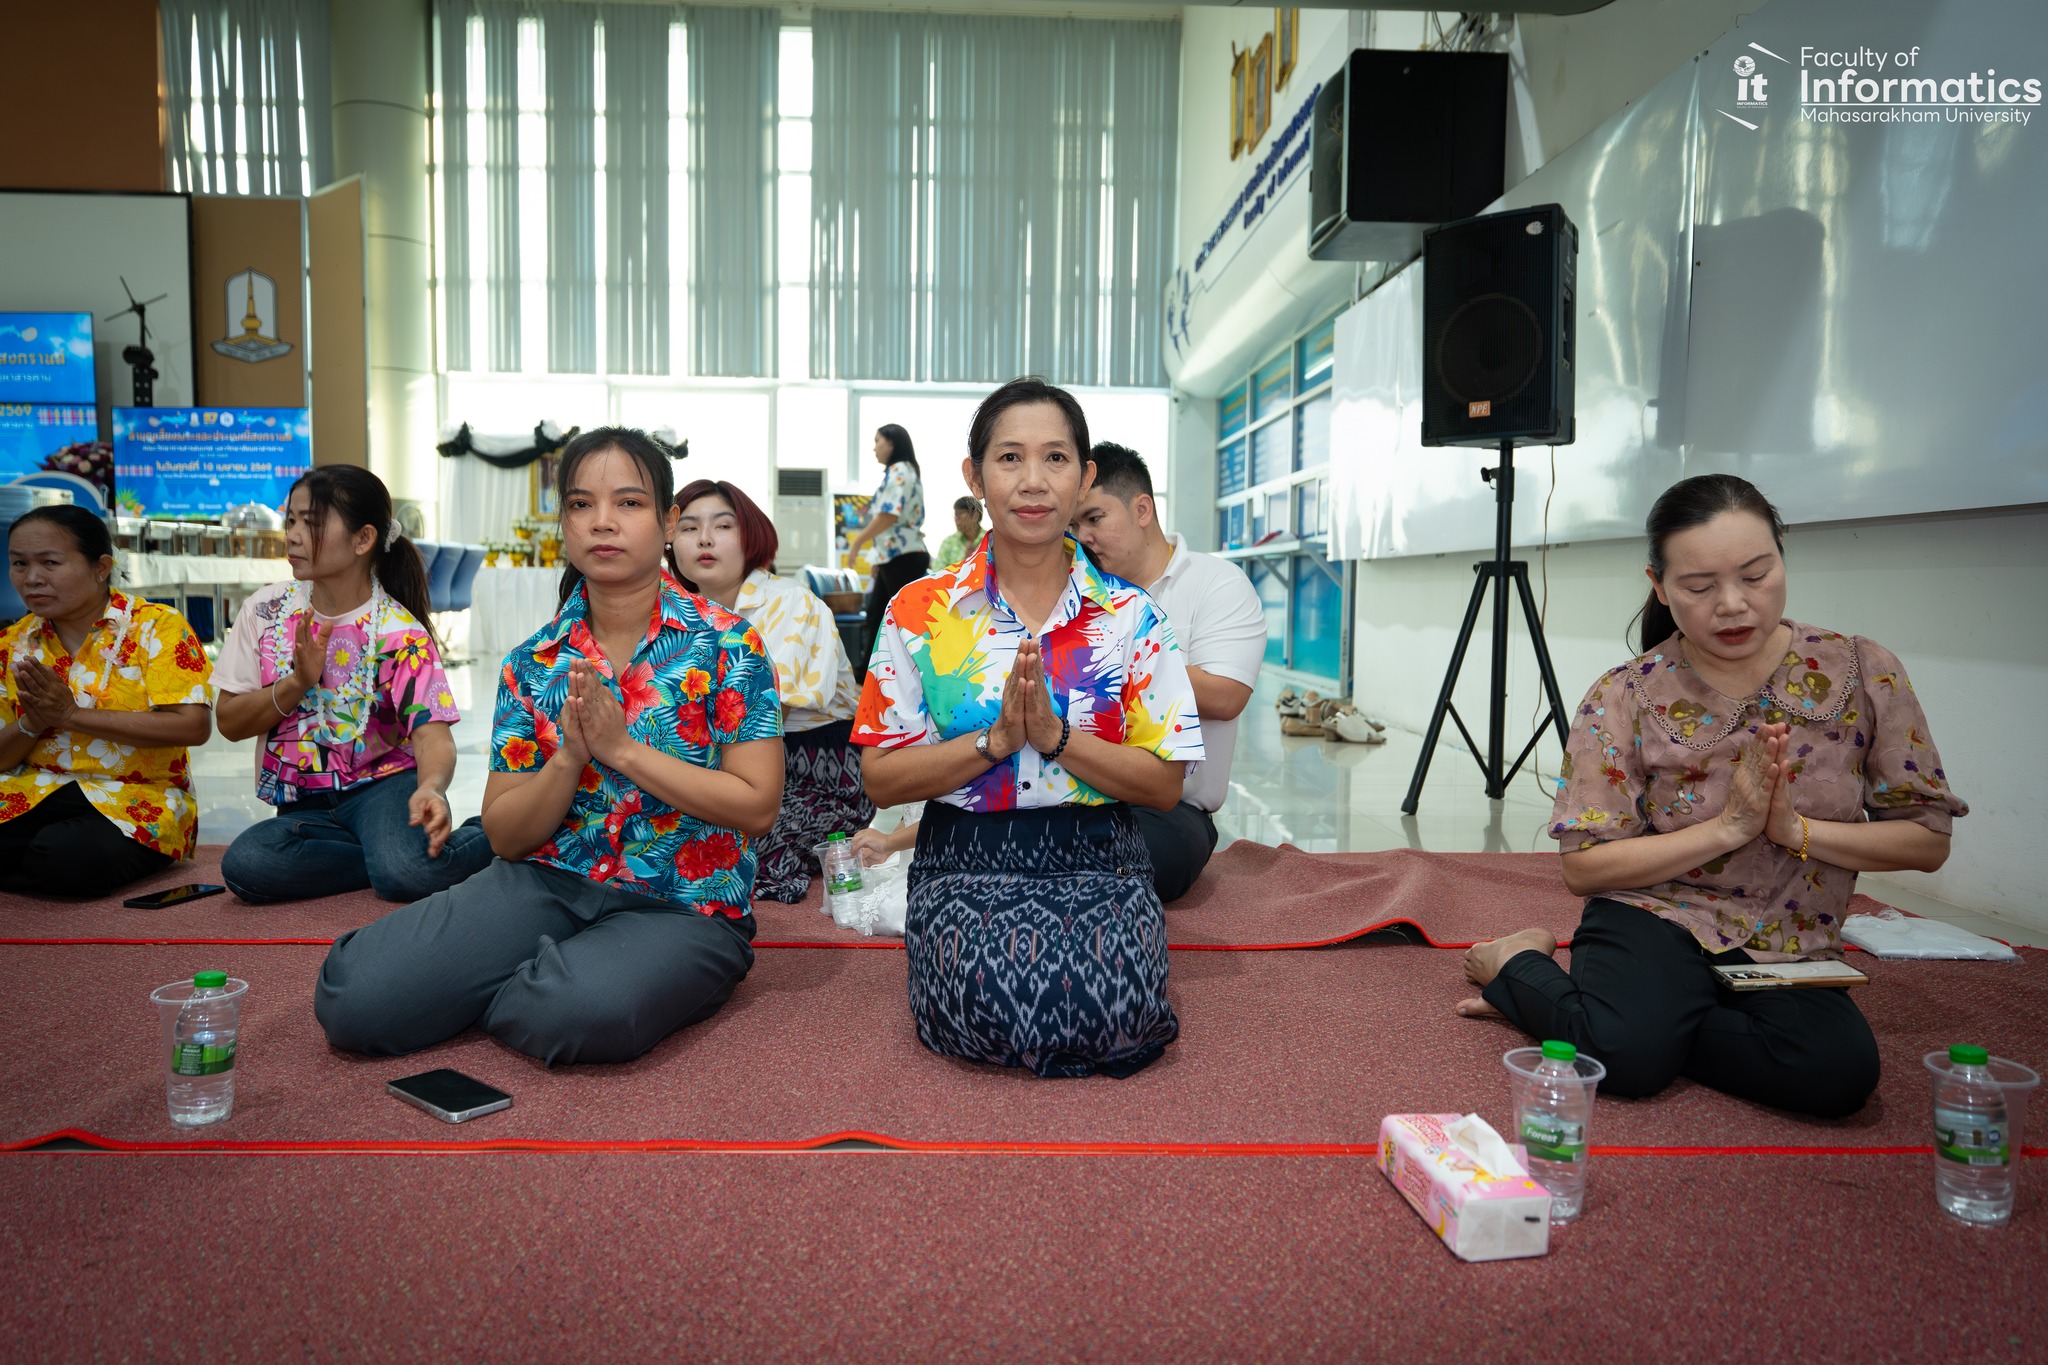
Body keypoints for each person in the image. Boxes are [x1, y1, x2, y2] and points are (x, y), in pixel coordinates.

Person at [1457, 475, 1966, 1117]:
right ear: (1660, 586)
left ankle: (1617, 1022)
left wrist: (1794, 832)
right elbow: (1584, 867)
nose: (1733, 604)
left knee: (1838, 1073)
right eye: (1699, 587)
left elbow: (1927, 841)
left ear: (1783, 557)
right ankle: (1520, 960)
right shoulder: (1625, 694)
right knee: (1628, 1064)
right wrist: (1729, 828)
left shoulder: (1863, 672)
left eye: (1757, 575)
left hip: (1791, 935)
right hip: (1656, 913)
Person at [315, 427, 785, 1065]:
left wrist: (621, 750)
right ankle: (521, 976)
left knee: (575, 1013)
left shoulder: (730, 645)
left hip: (681, 905)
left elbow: (758, 806)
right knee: (355, 998)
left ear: (668, 522)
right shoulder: (533, 663)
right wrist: (568, 760)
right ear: (563, 522)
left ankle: (528, 984)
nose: (603, 522)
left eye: (629, 503)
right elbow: (507, 836)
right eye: (581, 505)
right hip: (544, 880)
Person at [856, 378, 1204, 1079]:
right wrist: (994, 743)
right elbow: (882, 774)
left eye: (1056, 458)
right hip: (965, 857)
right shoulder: (920, 611)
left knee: (1109, 1008)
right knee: (995, 997)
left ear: (1085, 476)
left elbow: (1166, 785)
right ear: (974, 476)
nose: (1034, 481)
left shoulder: (1132, 617)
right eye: (1010, 459)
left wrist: (1057, 739)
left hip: (1100, 855)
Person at [214, 467, 492, 904]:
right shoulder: (265, 612)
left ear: (363, 540)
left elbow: (432, 738)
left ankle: (490, 832)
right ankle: (385, 855)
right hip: (304, 802)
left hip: (383, 789)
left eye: (313, 523)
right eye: (291, 520)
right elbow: (228, 722)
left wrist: (431, 787)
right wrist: (298, 682)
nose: (293, 536)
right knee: (247, 864)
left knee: (406, 875)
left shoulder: (401, 632)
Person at [1074, 442, 1266, 901]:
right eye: (1072, 526)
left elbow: (1225, 695)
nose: (1082, 537)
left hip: (1169, 809)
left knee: (1138, 860)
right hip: (1071, 789)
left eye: (1094, 519)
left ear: (1142, 509)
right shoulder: (1073, 591)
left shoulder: (1216, 583)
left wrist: (1121, 653)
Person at [668, 477, 873, 902]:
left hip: (816, 771)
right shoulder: (677, 611)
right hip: (718, 765)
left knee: (716, 849)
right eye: (688, 528)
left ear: (751, 536)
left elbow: (767, 709)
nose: (704, 538)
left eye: (723, 526)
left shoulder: (791, 602)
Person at [0, 506, 213, 898]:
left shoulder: (157, 627)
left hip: (139, 797)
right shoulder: (13, 643)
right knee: (49, 851)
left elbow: (193, 727)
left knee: (64, 858)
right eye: (19, 563)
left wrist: (72, 715)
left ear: (101, 567)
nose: (31, 578)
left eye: (50, 562)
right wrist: (33, 722)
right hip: (35, 790)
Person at [845, 423, 928, 679]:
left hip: (903, 556)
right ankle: (867, 674)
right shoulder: (903, 470)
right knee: (878, 613)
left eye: (877, 442)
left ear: (891, 443)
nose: (874, 448)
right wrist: (879, 558)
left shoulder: (899, 469)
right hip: (895, 555)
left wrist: (858, 541)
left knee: (902, 619)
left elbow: (888, 516)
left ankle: (912, 674)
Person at [934, 496, 982, 569]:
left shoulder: (991, 540)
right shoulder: (948, 542)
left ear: (975, 516)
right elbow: (937, 574)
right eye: (955, 515)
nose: (956, 518)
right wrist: (966, 562)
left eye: (959, 514)